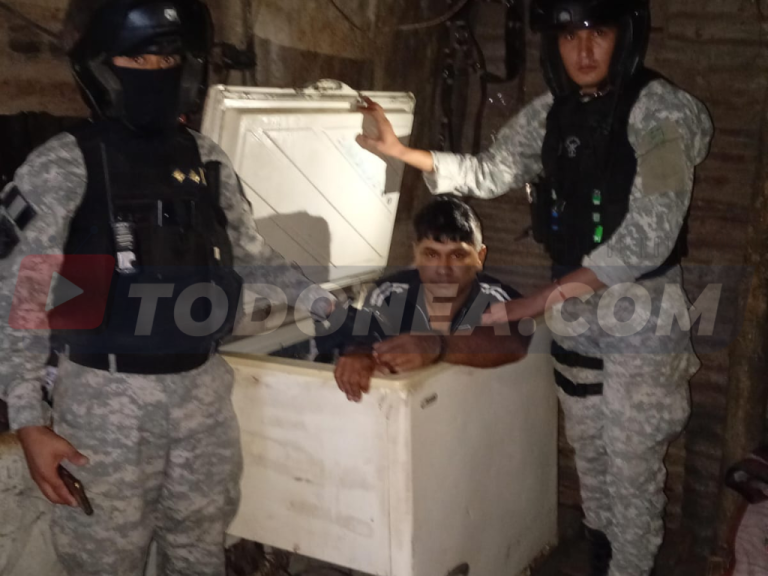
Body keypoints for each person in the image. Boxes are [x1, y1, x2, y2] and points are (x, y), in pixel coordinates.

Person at [355, 1, 713, 575]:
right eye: (569, 36)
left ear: (626, 35)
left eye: (598, 32)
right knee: (588, 445)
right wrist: (402, 152)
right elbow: (488, 171)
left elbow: (646, 239)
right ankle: (601, 551)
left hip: (641, 310)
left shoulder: (662, 110)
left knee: (632, 460)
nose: (584, 50)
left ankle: (631, 568)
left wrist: (532, 304)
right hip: (576, 312)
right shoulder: (551, 113)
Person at [0, 0, 333, 574]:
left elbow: (252, 257)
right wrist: (29, 420)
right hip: (105, 400)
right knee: (103, 561)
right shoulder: (64, 164)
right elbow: (22, 300)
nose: (155, 70)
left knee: (200, 553)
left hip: (202, 395)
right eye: (138, 57)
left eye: (167, 58)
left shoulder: (207, 159)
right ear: (100, 63)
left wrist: (330, 306)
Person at [335, 194, 523, 402]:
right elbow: (364, 336)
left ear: (480, 257)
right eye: (431, 255)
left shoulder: (497, 298)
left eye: (458, 255)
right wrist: (359, 355)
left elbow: (514, 343)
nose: (443, 269)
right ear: (416, 254)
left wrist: (434, 346)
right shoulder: (388, 292)